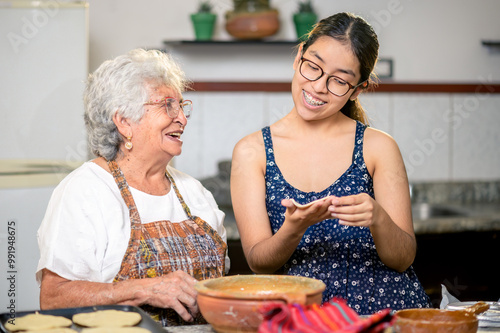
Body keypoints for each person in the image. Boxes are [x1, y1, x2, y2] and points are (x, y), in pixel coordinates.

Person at [230, 12, 430, 315]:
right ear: (299, 56)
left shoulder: (378, 147)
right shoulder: (251, 151)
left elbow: (402, 259)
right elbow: (259, 261)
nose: (319, 86)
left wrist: (378, 218)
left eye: (338, 80)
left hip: (384, 315)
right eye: (313, 67)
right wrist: (292, 230)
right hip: (303, 319)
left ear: (358, 89)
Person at [36, 49, 229, 326]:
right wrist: (144, 289)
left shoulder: (195, 192)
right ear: (124, 121)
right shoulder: (85, 191)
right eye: (167, 106)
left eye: (181, 106)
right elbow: (54, 298)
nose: (182, 119)